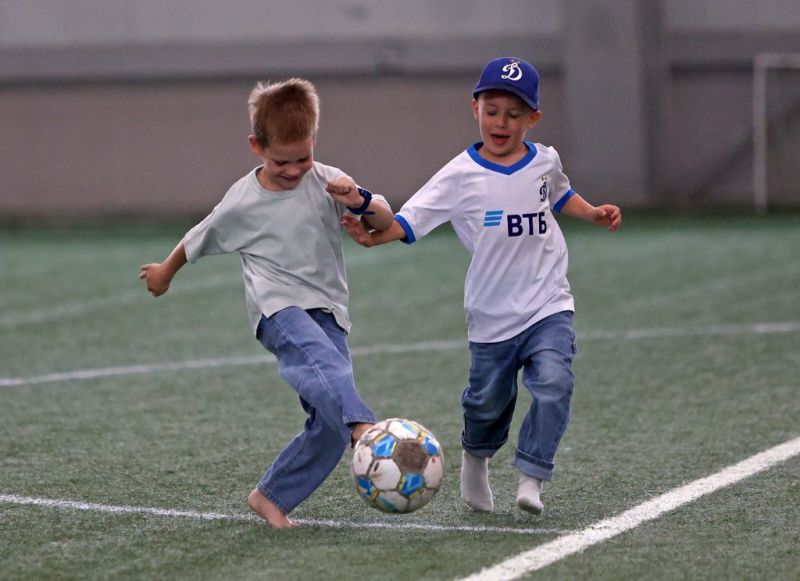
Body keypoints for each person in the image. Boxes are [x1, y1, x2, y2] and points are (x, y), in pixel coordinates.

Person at [342, 57, 622, 516]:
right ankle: (476, 459)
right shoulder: (459, 174)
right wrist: (373, 237)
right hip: (491, 314)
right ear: (475, 108)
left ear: (533, 118)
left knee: (555, 382)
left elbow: (559, 193)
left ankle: (532, 477)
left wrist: (591, 212)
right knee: (487, 403)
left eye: (514, 114)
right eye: (492, 111)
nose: (501, 122)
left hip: (548, 303)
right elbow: (413, 219)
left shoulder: (545, 160)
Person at [139, 78, 395, 528]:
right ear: (256, 147)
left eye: (303, 158)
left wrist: (358, 199)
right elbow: (198, 237)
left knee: (328, 421)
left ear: (314, 141)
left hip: (328, 310)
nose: (294, 170)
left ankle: (272, 496)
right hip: (277, 310)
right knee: (327, 371)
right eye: (282, 161)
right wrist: (165, 271)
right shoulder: (242, 202)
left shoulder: (328, 181)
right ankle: (364, 427)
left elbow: (383, 218)